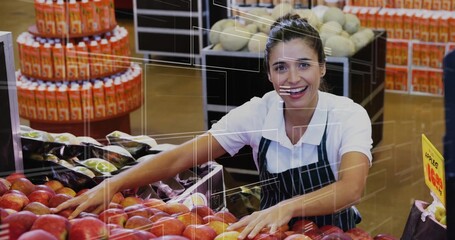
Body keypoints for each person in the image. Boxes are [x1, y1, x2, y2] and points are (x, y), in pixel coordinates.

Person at [53, 14, 372, 239]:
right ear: (269, 75)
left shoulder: (347, 116)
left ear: (322, 67)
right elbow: (181, 157)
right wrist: (112, 184)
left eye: (304, 65)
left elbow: (350, 188)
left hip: (338, 236)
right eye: (281, 68)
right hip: (268, 235)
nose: (293, 78)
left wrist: (288, 207)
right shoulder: (258, 114)